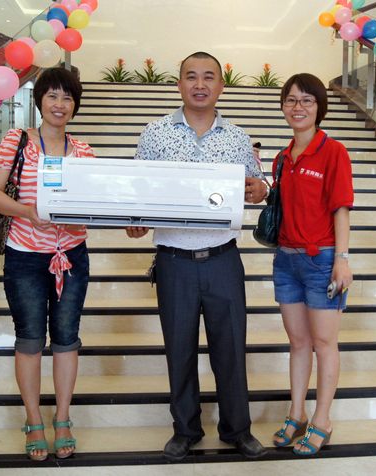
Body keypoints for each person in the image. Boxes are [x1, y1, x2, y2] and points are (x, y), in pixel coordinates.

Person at [126, 51, 268, 462]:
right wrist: (135, 220)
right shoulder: (155, 133)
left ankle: (237, 429)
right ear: (179, 84)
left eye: (209, 77)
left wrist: (260, 189)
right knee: (180, 349)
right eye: (191, 76)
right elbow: (138, 188)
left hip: (224, 259)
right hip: (174, 261)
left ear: (221, 86)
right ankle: (185, 429)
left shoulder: (237, 137)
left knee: (231, 349)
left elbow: (258, 183)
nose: (200, 84)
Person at [0, 67, 94, 461]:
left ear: (75, 105)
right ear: (39, 100)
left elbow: (88, 208)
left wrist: (79, 218)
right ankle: (33, 420)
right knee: (30, 339)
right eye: (52, 96)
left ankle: (62, 419)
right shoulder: (17, 141)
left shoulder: (84, 152)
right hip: (25, 256)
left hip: (71, 257)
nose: (60, 104)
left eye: (67, 97)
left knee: (66, 339)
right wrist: (28, 212)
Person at [270, 73, 354, 455]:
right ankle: (297, 412)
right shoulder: (282, 158)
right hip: (286, 261)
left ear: (319, 107)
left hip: (322, 261)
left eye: (306, 100)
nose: (298, 107)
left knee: (324, 342)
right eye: (291, 100)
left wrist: (342, 260)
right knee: (298, 341)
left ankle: (322, 420)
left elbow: (341, 209)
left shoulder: (333, 152)